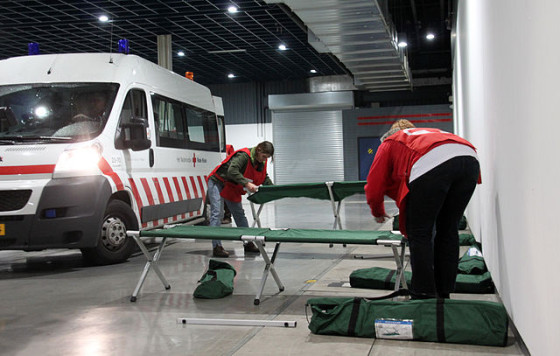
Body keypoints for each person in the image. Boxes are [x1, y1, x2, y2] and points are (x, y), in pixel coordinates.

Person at [364, 119, 481, 299]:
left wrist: (377, 211)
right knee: (448, 229)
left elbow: (374, 184)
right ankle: (445, 290)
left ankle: (423, 293)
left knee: (419, 232)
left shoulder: (389, 143)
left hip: (432, 163)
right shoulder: (428, 132)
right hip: (470, 159)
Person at [207, 141, 274, 257]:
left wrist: (273, 189)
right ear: (258, 150)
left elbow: (263, 176)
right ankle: (216, 247)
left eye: (267, 157)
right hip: (218, 181)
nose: (264, 159)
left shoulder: (260, 161)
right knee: (217, 214)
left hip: (231, 185)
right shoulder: (243, 156)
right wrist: (247, 184)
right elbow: (232, 171)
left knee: (239, 214)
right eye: (264, 156)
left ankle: (248, 243)